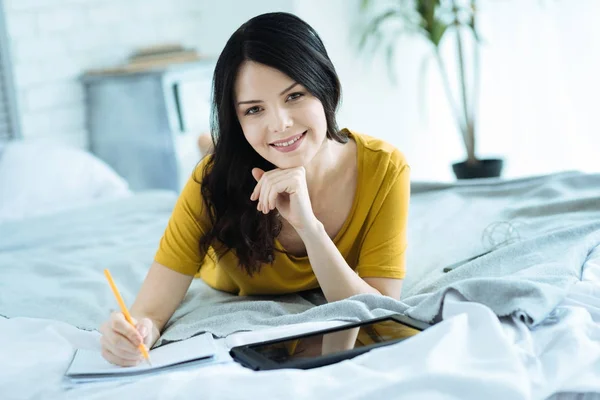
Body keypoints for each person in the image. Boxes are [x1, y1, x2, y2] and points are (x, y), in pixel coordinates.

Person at [99, 12, 410, 367]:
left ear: (325, 86)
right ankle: (210, 143)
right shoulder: (211, 182)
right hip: (223, 256)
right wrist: (132, 333)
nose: (280, 123)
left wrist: (309, 226)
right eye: (254, 109)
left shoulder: (385, 167)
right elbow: (149, 313)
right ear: (237, 119)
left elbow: (381, 310)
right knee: (219, 161)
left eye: (294, 95)